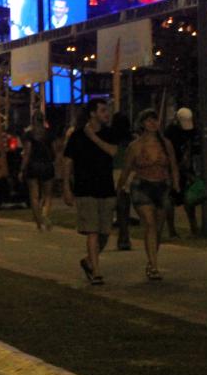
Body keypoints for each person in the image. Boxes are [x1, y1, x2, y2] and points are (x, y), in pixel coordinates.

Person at [117, 109, 179, 281]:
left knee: (158, 227)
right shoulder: (135, 146)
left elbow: (173, 166)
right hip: (142, 187)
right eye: (149, 120)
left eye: (155, 120)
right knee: (150, 224)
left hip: (162, 186)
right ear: (143, 123)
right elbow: (127, 169)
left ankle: (151, 260)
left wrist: (176, 186)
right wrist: (119, 188)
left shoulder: (166, 144)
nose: (153, 123)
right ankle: (153, 265)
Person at [63, 98, 117, 286]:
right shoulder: (77, 136)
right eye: (102, 110)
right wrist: (66, 187)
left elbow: (112, 152)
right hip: (85, 189)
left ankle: (88, 261)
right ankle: (96, 271)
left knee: (105, 232)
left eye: (107, 110)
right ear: (93, 113)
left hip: (106, 188)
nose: (106, 114)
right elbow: (68, 162)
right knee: (92, 231)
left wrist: (93, 138)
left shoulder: (109, 133)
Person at [165, 107, 201, 236]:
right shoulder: (170, 132)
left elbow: (193, 147)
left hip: (186, 167)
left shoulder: (191, 131)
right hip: (173, 168)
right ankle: (172, 230)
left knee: (189, 199)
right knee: (170, 198)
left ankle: (194, 228)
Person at [20, 112, 55, 231]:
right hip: (47, 164)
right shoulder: (49, 134)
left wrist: (22, 169)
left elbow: (27, 152)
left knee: (34, 196)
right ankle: (45, 213)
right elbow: (54, 150)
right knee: (48, 194)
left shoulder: (29, 134)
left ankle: (38, 223)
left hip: (33, 165)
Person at [110, 112, 136, 250]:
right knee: (125, 202)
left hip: (115, 171)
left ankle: (123, 234)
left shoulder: (110, 137)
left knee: (120, 202)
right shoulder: (131, 139)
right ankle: (124, 234)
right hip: (129, 171)